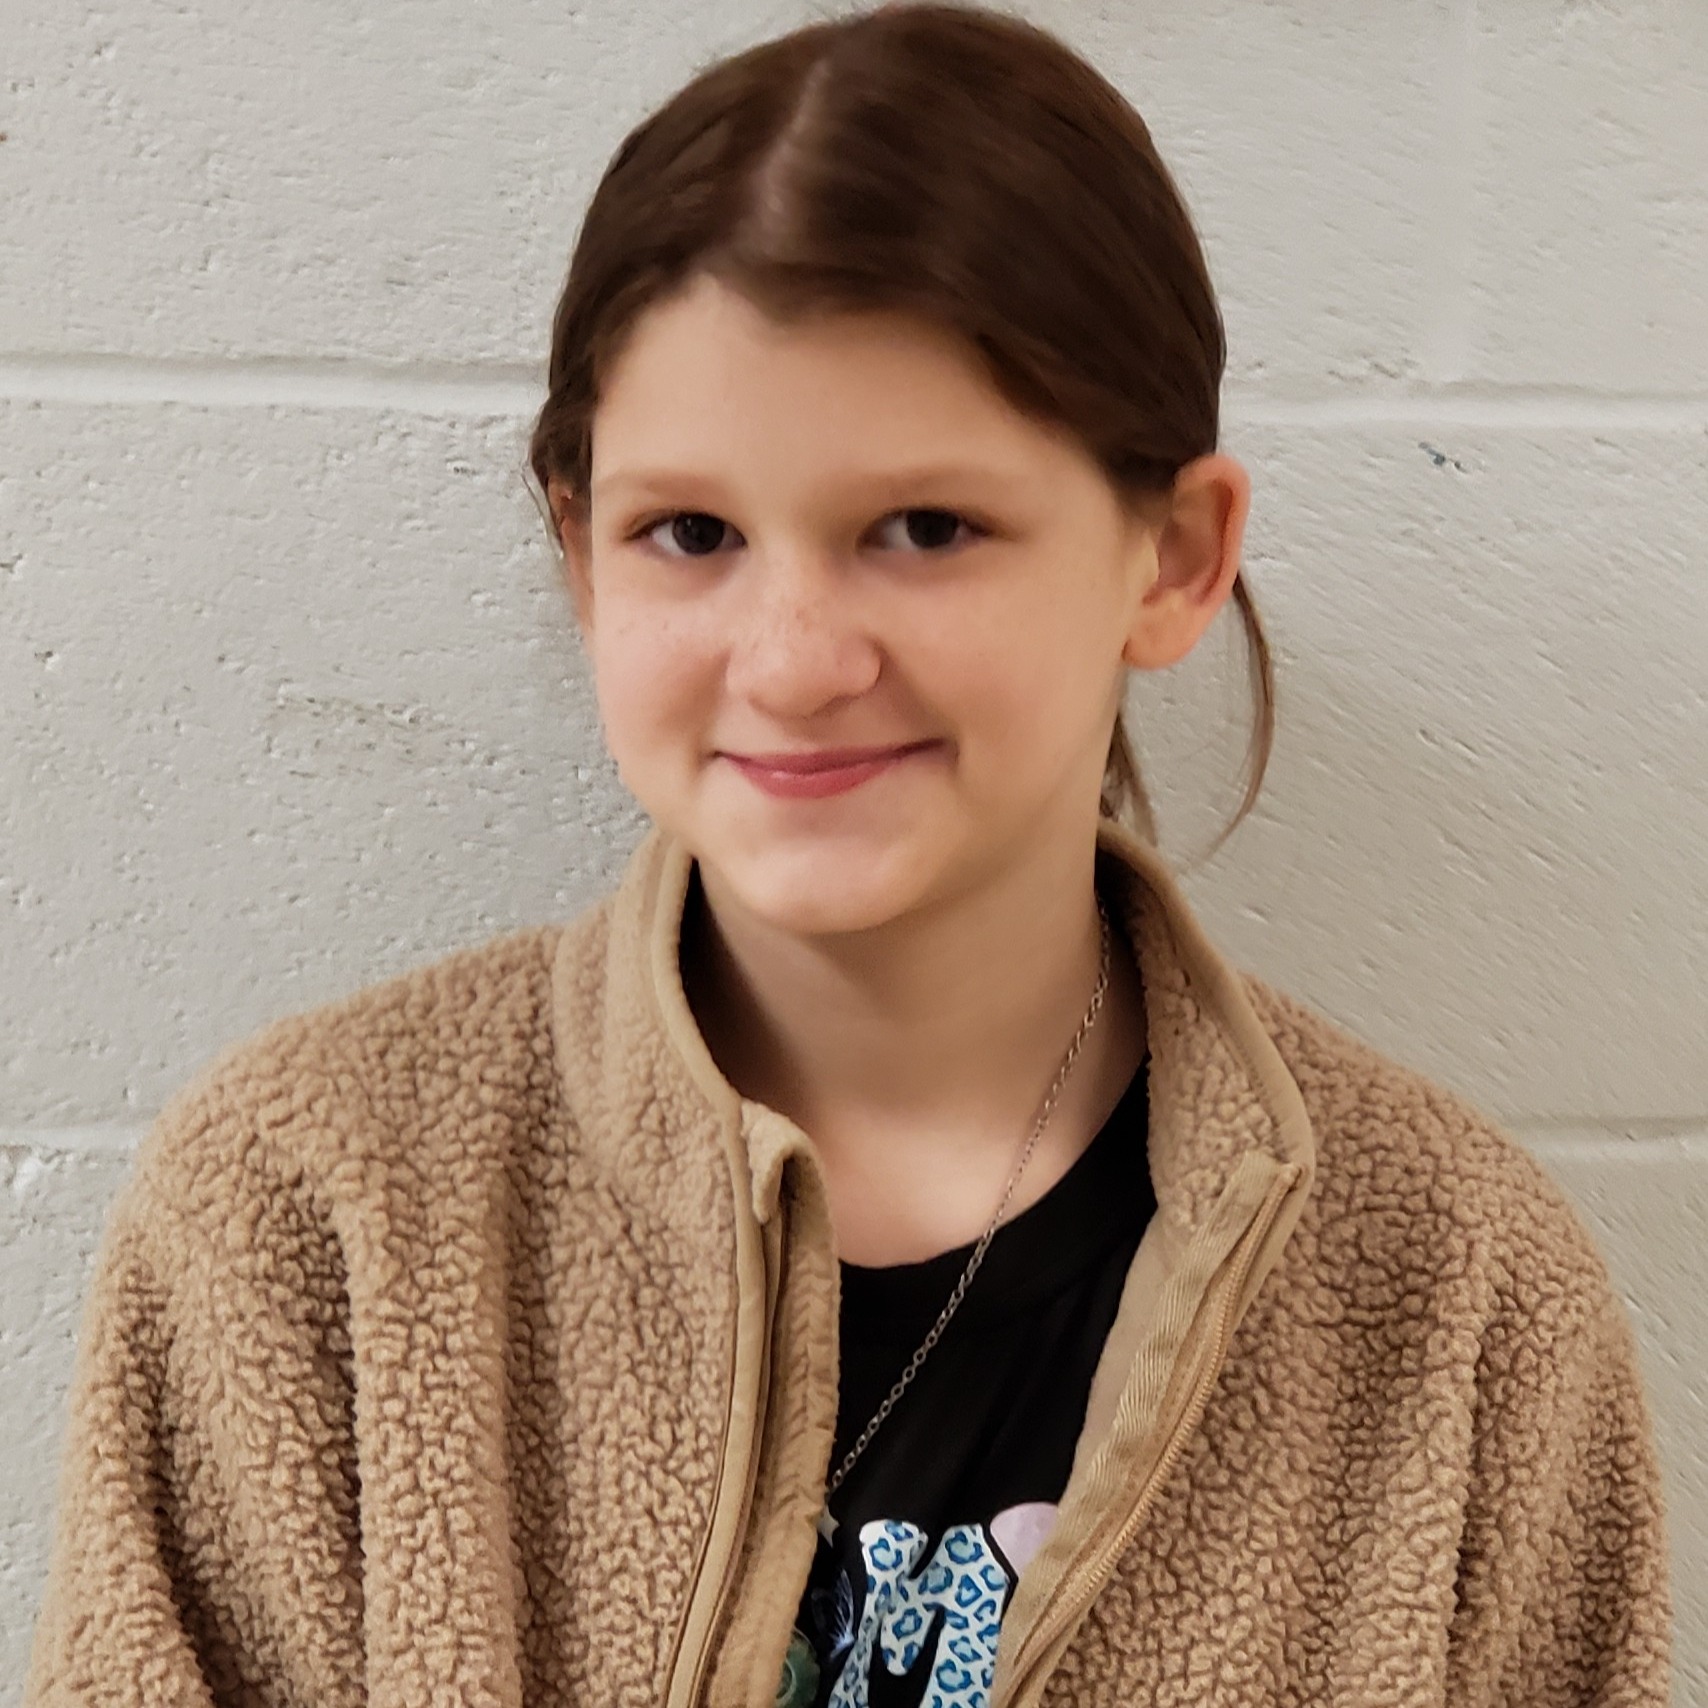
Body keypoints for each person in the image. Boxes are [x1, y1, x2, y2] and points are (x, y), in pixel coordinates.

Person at [23, 4, 1671, 1706]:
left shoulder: (1457, 1293)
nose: (796, 658)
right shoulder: (307, 1219)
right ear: (581, 554)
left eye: (927, 529)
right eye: (691, 534)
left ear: (1174, 558)